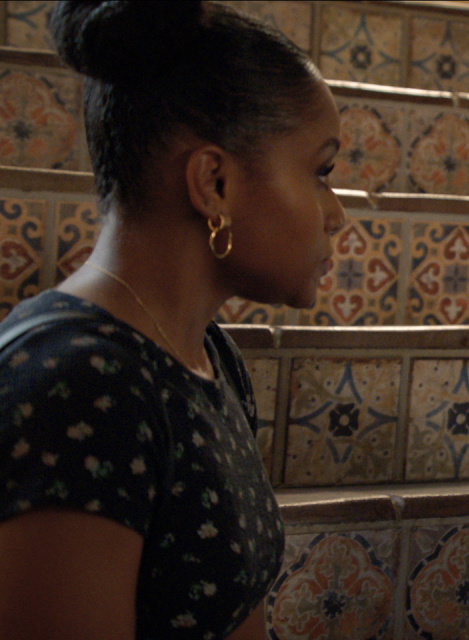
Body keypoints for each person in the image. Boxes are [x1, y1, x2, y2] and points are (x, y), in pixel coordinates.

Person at [0, 2, 346, 638]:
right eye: (320, 172)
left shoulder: (205, 354)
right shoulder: (77, 388)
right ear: (214, 183)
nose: (337, 214)